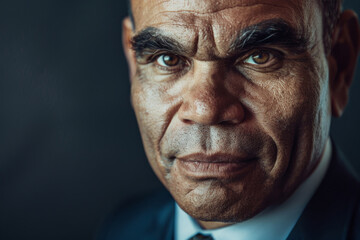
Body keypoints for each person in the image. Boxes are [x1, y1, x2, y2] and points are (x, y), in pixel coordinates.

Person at [98, 0, 360, 239]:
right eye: (168, 59)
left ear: (339, 64)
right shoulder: (124, 229)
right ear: (133, 65)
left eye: (260, 57)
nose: (205, 110)